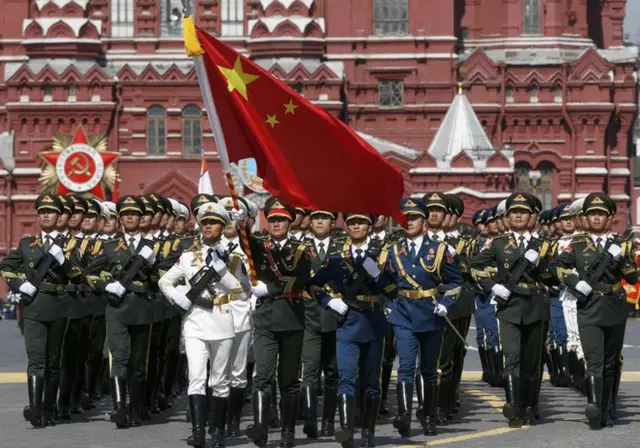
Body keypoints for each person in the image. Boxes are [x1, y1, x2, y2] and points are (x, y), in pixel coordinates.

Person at [159, 201, 250, 447]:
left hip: (222, 319)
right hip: (196, 321)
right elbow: (165, 282)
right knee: (196, 377)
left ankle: (218, 430)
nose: (208, 226)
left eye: (214, 223)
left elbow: (243, 293)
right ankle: (198, 432)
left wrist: (223, 273)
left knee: (220, 380)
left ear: (222, 226)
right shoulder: (189, 256)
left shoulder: (234, 257)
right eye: (205, 222)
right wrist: (177, 296)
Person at [550, 193, 637, 429]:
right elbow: (556, 267)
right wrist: (574, 281)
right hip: (588, 306)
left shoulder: (622, 244)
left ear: (610, 217)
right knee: (593, 359)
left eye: (600, 214)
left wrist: (622, 260)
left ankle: (609, 406)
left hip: (614, 306)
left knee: (611, 360)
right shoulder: (576, 245)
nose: (596, 218)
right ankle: (595, 406)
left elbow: (632, 276)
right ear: (586, 219)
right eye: (592, 215)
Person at [309, 212, 395, 448]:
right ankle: (347, 430)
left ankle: (368, 431)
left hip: (374, 321)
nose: (356, 226)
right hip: (347, 322)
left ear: (369, 226)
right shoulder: (337, 257)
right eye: (352, 223)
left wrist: (377, 273)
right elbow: (314, 284)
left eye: (361, 223)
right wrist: (329, 302)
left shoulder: (381, 254)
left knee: (371, 381)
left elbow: (393, 290)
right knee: (346, 376)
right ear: (346, 227)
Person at [0, 193, 83, 427]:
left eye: (51, 211)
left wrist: (63, 261)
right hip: (35, 305)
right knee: (36, 358)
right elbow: (5, 265)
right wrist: (19, 283)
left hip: (58, 304)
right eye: (42, 211)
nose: (46, 215)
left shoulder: (70, 244)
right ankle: (36, 409)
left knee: (53, 360)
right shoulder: (28, 243)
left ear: (58, 216)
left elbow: (79, 275)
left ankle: (49, 408)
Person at [470, 193, 552, 427]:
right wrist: (493, 285)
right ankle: (513, 407)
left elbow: (554, 277)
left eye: (523, 212)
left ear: (532, 216)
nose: (518, 215)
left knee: (532, 360)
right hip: (509, 305)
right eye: (513, 212)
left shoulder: (544, 244)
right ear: (507, 217)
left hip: (536, 305)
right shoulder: (498, 243)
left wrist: (540, 264)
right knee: (512, 357)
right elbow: (475, 267)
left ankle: (529, 405)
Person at [385, 197, 462, 437]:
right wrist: (388, 304)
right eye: (405, 218)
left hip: (430, 314)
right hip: (403, 313)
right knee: (405, 366)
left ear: (424, 220)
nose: (409, 222)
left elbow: (455, 282)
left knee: (429, 369)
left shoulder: (439, 250)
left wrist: (446, 304)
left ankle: (428, 415)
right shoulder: (394, 250)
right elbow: (385, 282)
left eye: (414, 217)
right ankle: (404, 415)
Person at [242, 197, 312, 448]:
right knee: (262, 375)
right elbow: (245, 240)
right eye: (272, 219)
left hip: (291, 317)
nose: (276, 224)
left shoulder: (301, 248)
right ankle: (260, 427)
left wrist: (269, 287)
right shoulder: (260, 245)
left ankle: (287, 431)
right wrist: (241, 219)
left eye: (281, 219)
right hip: (266, 319)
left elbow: (300, 279)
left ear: (290, 222)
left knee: (289, 380)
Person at [84, 195, 157, 428]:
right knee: (120, 357)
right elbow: (89, 274)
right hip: (117, 308)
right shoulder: (108, 246)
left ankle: (135, 408)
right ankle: (119, 407)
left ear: (140, 217)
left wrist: (151, 267)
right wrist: (107, 286)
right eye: (125, 215)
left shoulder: (151, 246)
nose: (130, 218)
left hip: (142, 308)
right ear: (121, 219)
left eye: (134, 214)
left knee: (138, 363)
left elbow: (161, 282)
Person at [299, 210, 341, 438]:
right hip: (309, 315)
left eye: (324, 218)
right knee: (311, 370)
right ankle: (309, 419)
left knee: (333, 372)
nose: (319, 222)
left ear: (332, 222)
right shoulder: (300, 248)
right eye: (315, 218)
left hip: (335, 317)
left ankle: (327, 420)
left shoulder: (341, 248)